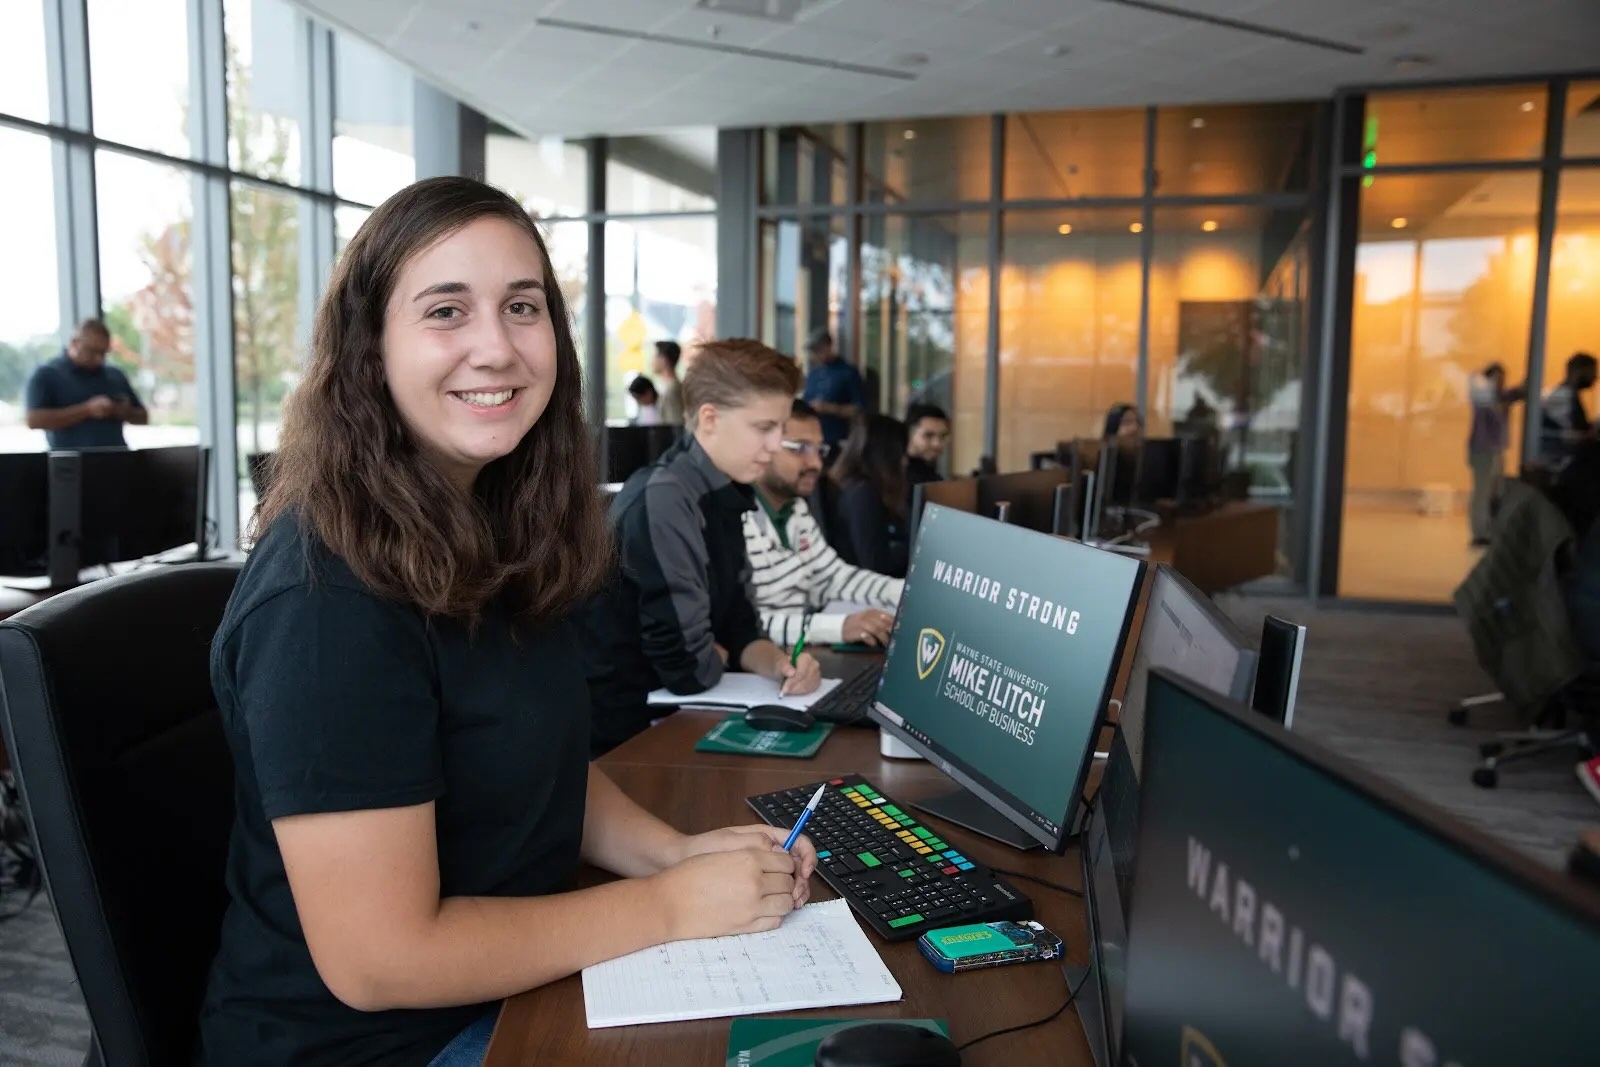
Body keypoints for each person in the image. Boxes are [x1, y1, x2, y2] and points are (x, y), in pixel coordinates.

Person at [198, 178, 817, 1067]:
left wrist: (673, 855)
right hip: (376, 1043)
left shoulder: (494, 527)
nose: (496, 347)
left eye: (521, 307)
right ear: (370, 350)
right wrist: (675, 906)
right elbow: (381, 960)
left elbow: (537, 764)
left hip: (505, 987)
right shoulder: (325, 602)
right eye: (446, 310)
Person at [581, 338, 823, 756]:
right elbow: (687, 669)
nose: (775, 444)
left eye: (781, 428)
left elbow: (739, 627)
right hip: (629, 744)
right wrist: (712, 652)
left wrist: (780, 664)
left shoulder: (725, 491)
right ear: (709, 418)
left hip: (678, 719)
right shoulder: (666, 499)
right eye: (764, 427)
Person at [744, 400, 902, 649]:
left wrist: (907, 592)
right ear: (762, 448)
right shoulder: (734, 518)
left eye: (819, 450)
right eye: (800, 448)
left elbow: (832, 578)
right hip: (756, 669)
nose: (816, 463)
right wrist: (840, 627)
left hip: (795, 657)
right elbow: (741, 627)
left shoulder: (795, 508)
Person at [23, 318, 148, 448]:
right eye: (92, 351)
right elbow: (34, 420)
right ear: (75, 343)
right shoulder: (47, 374)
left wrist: (121, 411)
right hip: (72, 461)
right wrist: (87, 410)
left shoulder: (115, 375)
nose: (98, 359)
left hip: (117, 458)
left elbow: (143, 417)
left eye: (103, 353)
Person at [824, 414, 910, 579]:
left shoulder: (851, 486)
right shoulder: (863, 494)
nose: (905, 461)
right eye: (901, 452)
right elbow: (876, 566)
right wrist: (919, 547)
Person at [1466, 362, 1527, 547]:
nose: (1499, 382)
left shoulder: (1502, 396)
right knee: (1482, 491)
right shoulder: (1483, 398)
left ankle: (1491, 529)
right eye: (1495, 378)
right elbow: (1493, 404)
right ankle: (1480, 532)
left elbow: (1521, 391)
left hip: (1496, 450)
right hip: (1482, 449)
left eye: (1501, 378)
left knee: (1496, 491)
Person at [801, 328, 865, 451]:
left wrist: (830, 408)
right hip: (813, 439)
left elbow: (859, 410)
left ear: (829, 347)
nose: (815, 355)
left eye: (818, 350)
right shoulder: (813, 374)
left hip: (837, 440)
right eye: (813, 351)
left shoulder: (848, 373)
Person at [1540, 351, 1597, 468]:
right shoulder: (1561, 398)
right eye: (1592, 372)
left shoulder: (1569, 397)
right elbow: (1566, 436)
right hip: (1561, 466)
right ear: (1579, 370)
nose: (1595, 377)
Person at [904, 402, 950, 487]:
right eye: (928, 435)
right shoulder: (896, 477)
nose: (937, 444)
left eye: (943, 436)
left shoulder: (931, 476)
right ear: (909, 434)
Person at [653, 340, 684, 424]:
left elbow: (675, 424)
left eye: (655, 357)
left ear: (664, 360)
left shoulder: (673, 389)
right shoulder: (666, 387)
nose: (652, 361)